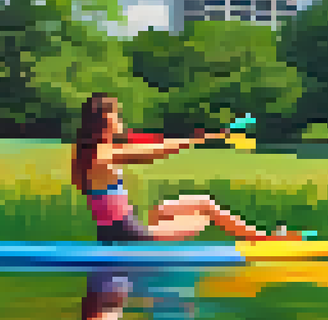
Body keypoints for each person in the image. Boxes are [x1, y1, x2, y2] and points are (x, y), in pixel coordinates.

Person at [70, 93, 302, 242]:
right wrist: (195, 140)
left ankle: (264, 237)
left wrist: (196, 138)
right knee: (205, 216)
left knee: (199, 203)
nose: (120, 119)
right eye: (116, 115)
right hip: (129, 236)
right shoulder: (105, 154)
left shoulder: (84, 153)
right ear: (105, 120)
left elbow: (153, 146)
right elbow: (157, 152)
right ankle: (267, 241)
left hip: (116, 230)